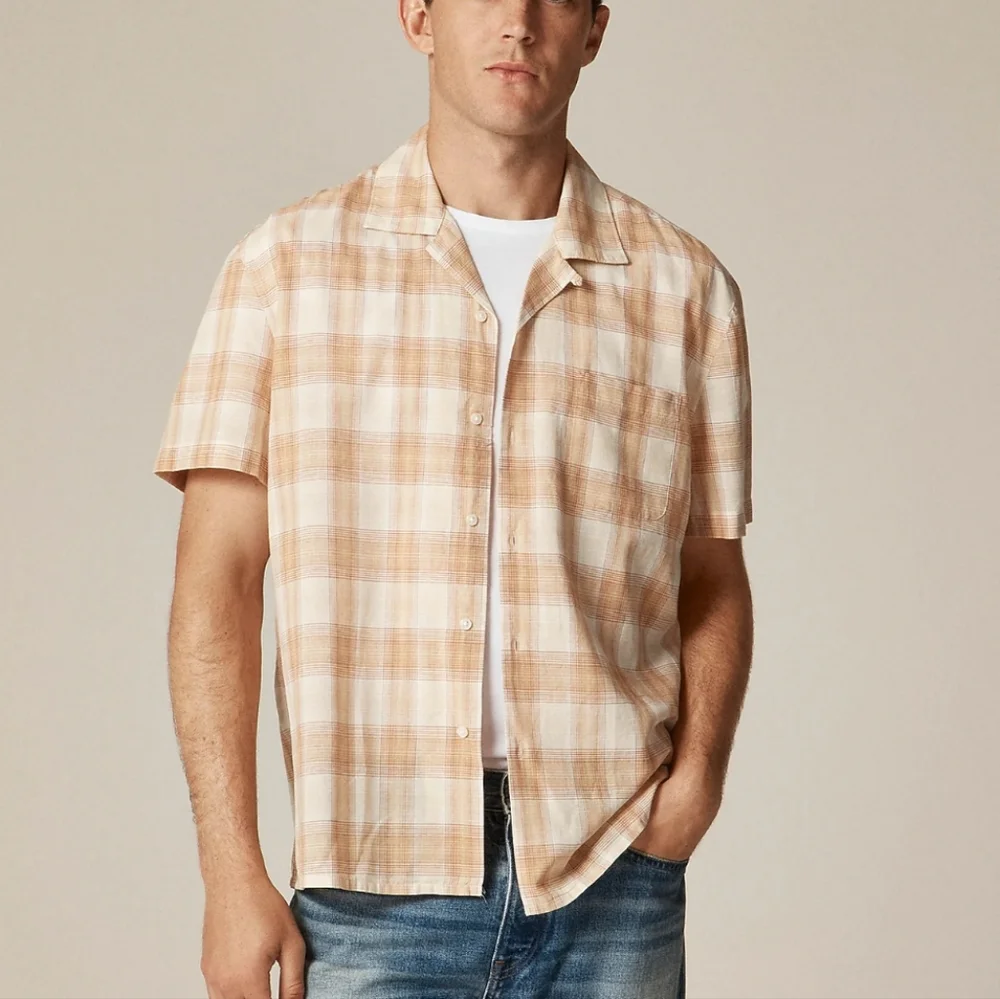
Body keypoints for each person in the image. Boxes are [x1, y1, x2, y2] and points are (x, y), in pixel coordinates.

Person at [153, 0, 755, 995]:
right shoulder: (285, 267)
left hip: (614, 879)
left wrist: (694, 787)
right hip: (374, 884)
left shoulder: (685, 291)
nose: (517, 22)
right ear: (417, 17)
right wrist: (229, 868)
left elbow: (711, 573)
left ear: (594, 29)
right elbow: (215, 579)